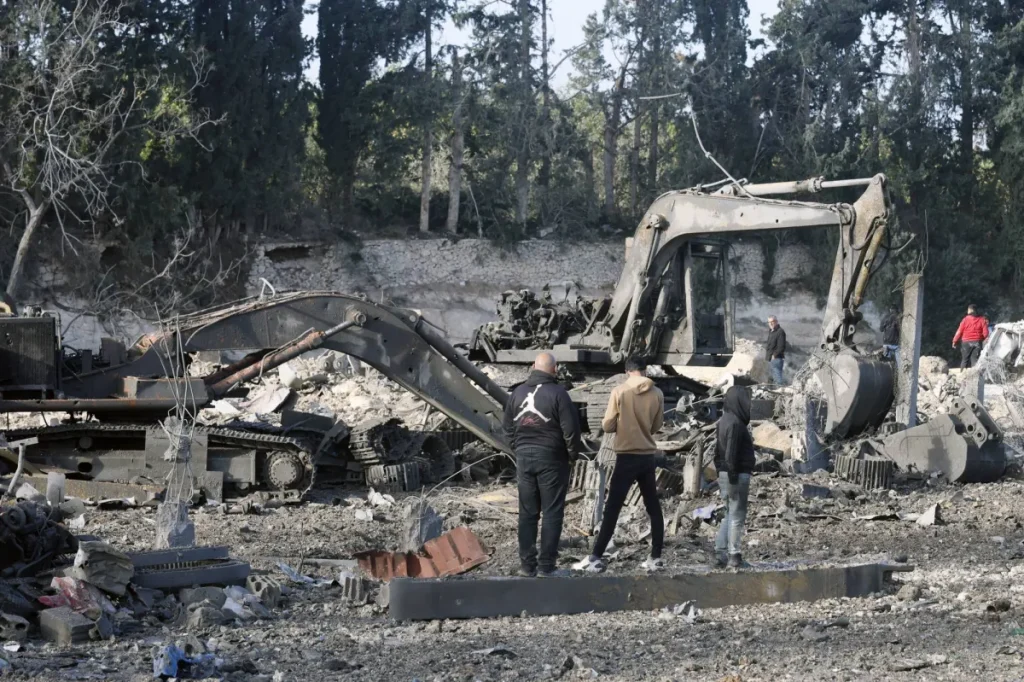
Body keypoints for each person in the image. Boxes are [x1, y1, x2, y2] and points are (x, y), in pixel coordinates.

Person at [574, 356, 666, 573]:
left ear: (627, 372)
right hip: (647, 456)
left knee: (613, 508)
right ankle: (655, 557)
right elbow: (657, 425)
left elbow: (607, 425)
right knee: (653, 507)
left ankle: (596, 556)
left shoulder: (619, 391)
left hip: (626, 457)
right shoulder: (658, 393)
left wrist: (621, 424)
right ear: (645, 370)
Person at [502, 352, 581, 578]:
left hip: (524, 458)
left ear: (532, 366)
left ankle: (527, 566)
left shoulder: (517, 393)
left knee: (527, 513)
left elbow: (507, 428)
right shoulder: (559, 394)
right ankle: (546, 566)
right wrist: (572, 456)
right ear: (554, 370)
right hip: (552, 458)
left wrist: (518, 449)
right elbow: (571, 430)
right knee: (552, 512)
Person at [714, 385, 755, 569]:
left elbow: (717, 453)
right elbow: (731, 453)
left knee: (728, 513)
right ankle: (734, 556)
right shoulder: (736, 424)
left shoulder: (723, 420)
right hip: (736, 475)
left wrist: (721, 472)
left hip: (725, 473)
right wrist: (732, 476)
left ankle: (720, 552)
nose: (748, 404)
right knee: (737, 515)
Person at [952, 304, 989, 369]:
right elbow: (985, 333)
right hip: (977, 342)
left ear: (971, 310)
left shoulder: (965, 320)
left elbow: (959, 331)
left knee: (964, 360)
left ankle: (963, 373)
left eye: (968, 310)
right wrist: (981, 339)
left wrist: (954, 341)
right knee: (975, 360)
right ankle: (974, 374)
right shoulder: (981, 320)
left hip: (966, 342)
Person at [765, 316, 786, 385]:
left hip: (776, 359)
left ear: (776, 322)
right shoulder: (771, 331)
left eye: (772, 322)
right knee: (771, 379)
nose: (771, 323)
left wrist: (774, 355)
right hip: (770, 359)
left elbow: (781, 346)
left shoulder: (780, 332)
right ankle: (774, 390)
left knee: (777, 379)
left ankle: (780, 390)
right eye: (769, 322)